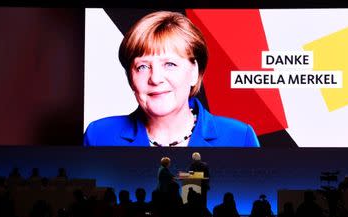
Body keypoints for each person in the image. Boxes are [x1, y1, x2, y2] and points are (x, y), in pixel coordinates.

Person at [83, 11, 260, 147]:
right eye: (142, 66)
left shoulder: (239, 137)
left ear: (194, 72)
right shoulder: (99, 136)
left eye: (170, 64)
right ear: (130, 77)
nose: (155, 78)